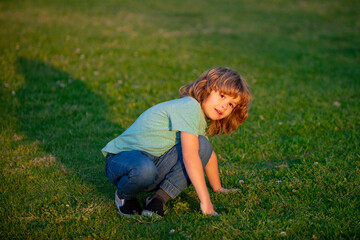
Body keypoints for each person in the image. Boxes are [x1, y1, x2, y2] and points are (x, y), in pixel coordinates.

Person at [102, 67, 251, 218]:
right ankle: (125, 196)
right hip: (122, 160)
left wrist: (218, 188)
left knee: (203, 145)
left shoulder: (199, 119)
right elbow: (190, 156)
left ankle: (158, 199)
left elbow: (208, 155)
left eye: (231, 104)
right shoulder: (189, 106)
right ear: (206, 88)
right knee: (146, 169)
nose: (225, 105)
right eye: (222, 96)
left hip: (153, 164)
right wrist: (206, 202)